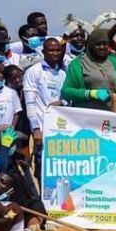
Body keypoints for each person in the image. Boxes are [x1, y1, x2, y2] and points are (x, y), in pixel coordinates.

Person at [23, 37, 67, 177]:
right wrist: (36, 129)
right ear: (43, 51)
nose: (55, 53)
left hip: (60, 129)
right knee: (41, 169)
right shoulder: (34, 71)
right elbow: (30, 103)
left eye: (58, 50)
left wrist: (62, 102)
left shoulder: (63, 73)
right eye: (51, 50)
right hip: (41, 129)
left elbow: (67, 100)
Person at [61, 29, 116, 110]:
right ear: (90, 45)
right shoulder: (77, 64)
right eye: (98, 44)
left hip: (111, 113)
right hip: (88, 114)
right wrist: (90, 94)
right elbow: (66, 91)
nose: (102, 47)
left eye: (105, 44)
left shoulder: (114, 61)